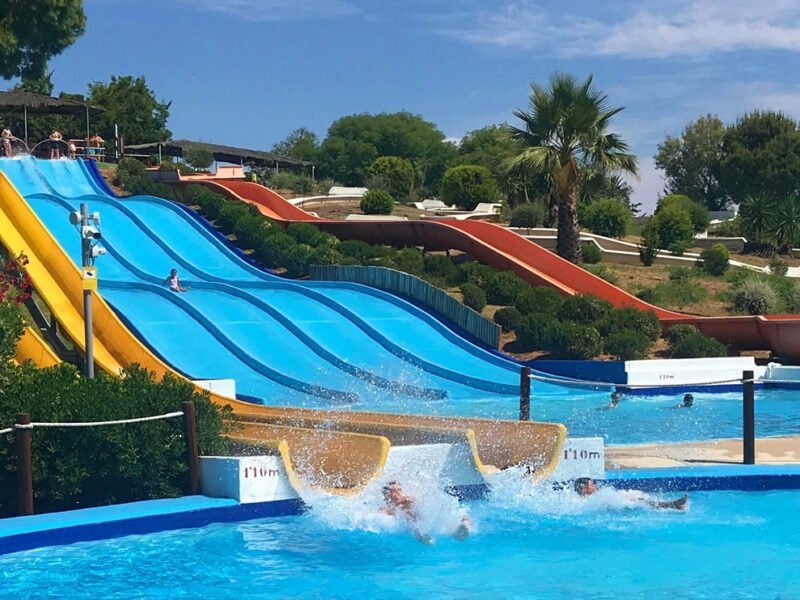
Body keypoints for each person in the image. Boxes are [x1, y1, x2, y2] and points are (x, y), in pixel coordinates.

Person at [380, 481, 471, 543]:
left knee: (444, 522)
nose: (398, 493)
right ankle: (422, 537)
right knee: (411, 521)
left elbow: (412, 501)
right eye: (394, 491)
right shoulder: (387, 507)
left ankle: (459, 529)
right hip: (413, 525)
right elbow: (383, 513)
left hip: (422, 519)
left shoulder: (407, 499)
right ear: (388, 495)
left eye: (399, 490)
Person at [573, 477, 688, 510]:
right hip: (617, 509)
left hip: (618, 506)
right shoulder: (585, 502)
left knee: (640, 500)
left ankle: (673, 505)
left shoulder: (596, 497)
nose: (595, 486)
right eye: (592, 484)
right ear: (584, 488)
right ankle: (673, 505)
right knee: (641, 502)